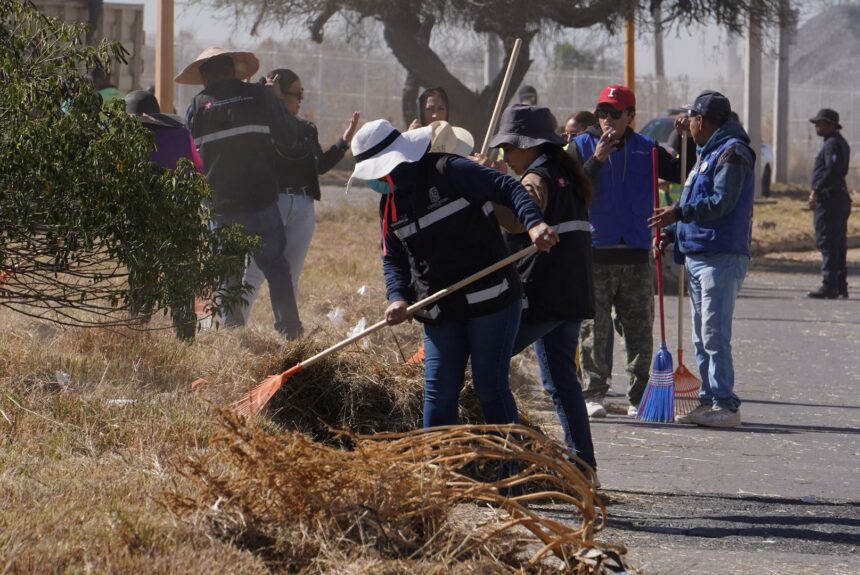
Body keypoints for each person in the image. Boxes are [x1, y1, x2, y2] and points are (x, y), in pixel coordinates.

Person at [349, 118, 558, 428]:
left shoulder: (449, 169)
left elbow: (508, 187)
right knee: (439, 393)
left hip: (492, 299)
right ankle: (437, 458)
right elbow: (393, 258)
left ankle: (508, 455)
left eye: (378, 171)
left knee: (489, 389)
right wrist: (397, 297)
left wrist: (534, 224)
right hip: (439, 308)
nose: (377, 180)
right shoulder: (389, 204)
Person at [490, 104, 598, 472]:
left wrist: (488, 188)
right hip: (573, 291)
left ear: (529, 145)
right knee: (562, 381)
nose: (505, 155)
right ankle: (583, 466)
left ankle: (509, 458)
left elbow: (516, 222)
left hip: (546, 292)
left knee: (488, 361)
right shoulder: (566, 173)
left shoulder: (536, 179)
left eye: (508, 147)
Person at [572, 85, 689, 418]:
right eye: (602, 113)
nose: (607, 119)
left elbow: (682, 170)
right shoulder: (581, 146)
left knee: (639, 330)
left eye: (615, 113)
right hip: (596, 252)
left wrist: (685, 140)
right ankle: (593, 392)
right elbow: (570, 190)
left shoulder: (646, 148)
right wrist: (596, 160)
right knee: (593, 329)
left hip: (636, 253)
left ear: (630, 116)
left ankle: (639, 396)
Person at [177, 47, 303, 338]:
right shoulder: (260, 96)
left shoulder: (196, 107)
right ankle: (291, 332)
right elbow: (290, 137)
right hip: (261, 202)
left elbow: (190, 158)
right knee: (276, 269)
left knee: (228, 275)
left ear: (205, 76)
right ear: (234, 71)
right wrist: (275, 99)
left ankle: (234, 335)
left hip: (221, 207)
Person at [649, 90, 756, 428]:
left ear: (702, 120)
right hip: (699, 252)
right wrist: (671, 233)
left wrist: (678, 213)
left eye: (691, 118)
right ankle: (709, 401)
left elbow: (721, 202)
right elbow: (695, 196)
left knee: (714, 334)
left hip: (720, 254)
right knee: (701, 336)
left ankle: (725, 404)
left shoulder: (733, 153)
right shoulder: (708, 152)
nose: (687, 123)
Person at [239, 69, 360, 324]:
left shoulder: (306, 129)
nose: (301, 99)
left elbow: (320, 166)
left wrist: (343, 142)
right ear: (279, 94)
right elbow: (282, 144)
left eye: (302, 94)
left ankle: (289, 332)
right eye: (297, 94)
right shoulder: (263, 126)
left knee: (291, 275)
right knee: (254, 272)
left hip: (303, 204)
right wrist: (267, 100)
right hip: (273, 203)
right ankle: (234, 327)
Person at [124, 90, 203, 340]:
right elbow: (199, 167)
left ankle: (138, 331)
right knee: (181, 278)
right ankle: (185, 336)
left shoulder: (129, 136)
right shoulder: (182, 133)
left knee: (142, 276)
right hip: (182, 215)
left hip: (144, 218)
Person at [806, 108, 851, 299]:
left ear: (830, 125)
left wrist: (816, 190)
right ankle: (840, 284)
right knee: (838, 242)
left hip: (830, 199)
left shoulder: (832, 144)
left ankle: (829, 284)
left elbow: (832, 171)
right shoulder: (838, 143)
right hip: (838, 198)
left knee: (827, 241)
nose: (817, 126)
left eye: (820, 123)